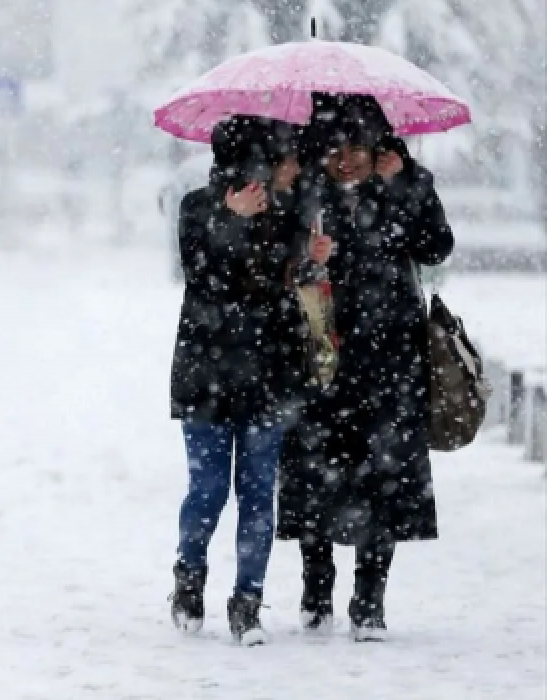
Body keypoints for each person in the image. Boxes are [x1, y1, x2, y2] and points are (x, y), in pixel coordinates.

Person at [277, 97, 455, 642]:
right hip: (322, 357)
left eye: (358, 148)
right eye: (335, 149)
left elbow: (436, 246)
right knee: (314, 475)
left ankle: (370, 597)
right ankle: (316, 584)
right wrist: (309, 257)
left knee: (385, 480)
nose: (346, 160)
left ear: (378, 149)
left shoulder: (400, 185)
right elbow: (276, 265)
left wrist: (407, 183)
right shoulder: (305, 193)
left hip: (391, 361)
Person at [168, 116, 321, 645]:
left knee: (258, 493)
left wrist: (309, 264)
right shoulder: (195, 207)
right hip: (206, 372)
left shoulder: (287, 216)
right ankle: (189, 581)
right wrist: (230, 221)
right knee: (208, 489)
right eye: (283, 159)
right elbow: (201, 276)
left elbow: (282, 292)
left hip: (269, 374)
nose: (292, 169)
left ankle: (247, 600)